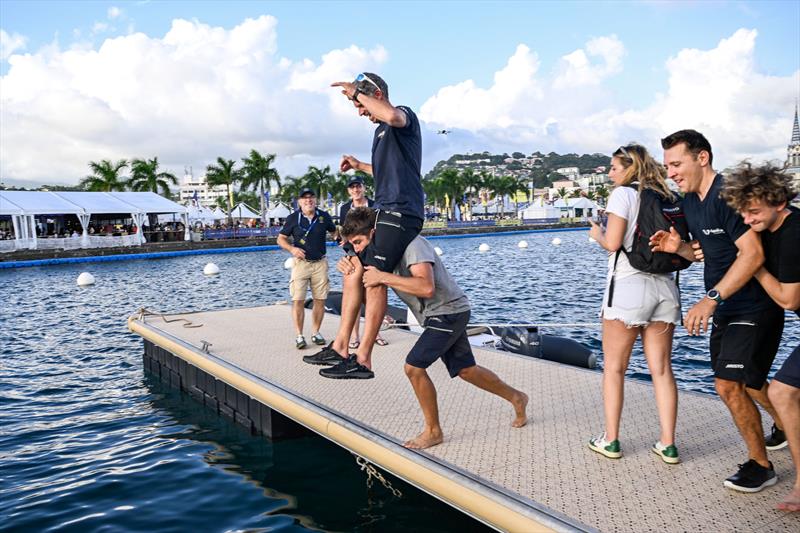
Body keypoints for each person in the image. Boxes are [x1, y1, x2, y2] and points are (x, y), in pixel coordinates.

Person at [651, 130, 785, 492]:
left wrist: (710, 299)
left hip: (755, 304)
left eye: (677, 164)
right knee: (753, 383)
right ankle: (787, 425)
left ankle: (761, 465)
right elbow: (704, 253)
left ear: (703, 158)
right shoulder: (691, 202)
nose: (671, 173)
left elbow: (752, 253)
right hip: (727, 305)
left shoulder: (728, 196)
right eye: (667, 166)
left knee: (728, 384)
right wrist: (679, 248)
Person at [332, 207, 528, 447]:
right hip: (437, 315)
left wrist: (383, 277)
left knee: (413, 367)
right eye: (353, 245)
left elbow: (426, 287)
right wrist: (348, 263)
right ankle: (517, 397)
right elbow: (368, 290)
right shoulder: (378, 254)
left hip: (449, 312)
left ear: (375, 233)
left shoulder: (413, 245)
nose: (358, 249)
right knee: (466, 370)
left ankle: (433, 431)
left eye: (360, 242)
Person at [306, 72, 424, 379]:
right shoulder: (380, 132)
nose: (360, 111)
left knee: (373, 278)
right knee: (354, 270)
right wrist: (360, 166)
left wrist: (356, 91)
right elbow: (386, 170)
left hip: (402, 212)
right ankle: (341, 346)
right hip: (385, 211)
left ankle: (363, 360)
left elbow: (393, 115)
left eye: (362, 104)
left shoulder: (403, 116)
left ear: (377, 95)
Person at [587, 144, 682, 463]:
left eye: (614, 167)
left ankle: (611, 440)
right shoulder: (667, 196)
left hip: (628, 290)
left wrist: (596, 234)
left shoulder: (623, 195)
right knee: (662, 370)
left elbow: (613, 243)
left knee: (614, 368)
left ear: (630, 168)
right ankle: (668, 444)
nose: (611, 173)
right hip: (666, 289)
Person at [720, 162, 800, 511]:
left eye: (754, 213)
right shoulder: (767, 228)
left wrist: (756, 264)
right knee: (782, 393)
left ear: (779, 202)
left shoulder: (796, 232)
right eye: (744, 213)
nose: (748, 221)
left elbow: (788, 299)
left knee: (781, 392)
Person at [277, 187, 337, 349]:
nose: (308, 200)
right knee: (298, 300)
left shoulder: (323, 216)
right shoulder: (293, 218)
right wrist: (292, 249)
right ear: (299, 201)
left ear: (315, 200)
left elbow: (335, 232)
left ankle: (316, 332)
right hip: (301, 264)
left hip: (320, 263)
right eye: (305, 198)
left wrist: (343, 238)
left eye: (311, 197)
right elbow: (281, 239)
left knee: (320, 299)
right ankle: (299, 335)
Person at [337, 175, 387, 349]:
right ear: (348, 190)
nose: (355, 190)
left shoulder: (374, 206)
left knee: (373, 292)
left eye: (358, 186)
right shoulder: (344, 209)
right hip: (353, 252)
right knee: (354, 293)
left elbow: (380, 229)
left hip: (373, 251)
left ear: (363, 188)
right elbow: (344, 231)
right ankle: (354, 336)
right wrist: (343, 240)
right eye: (352, 187)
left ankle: (375, 333)